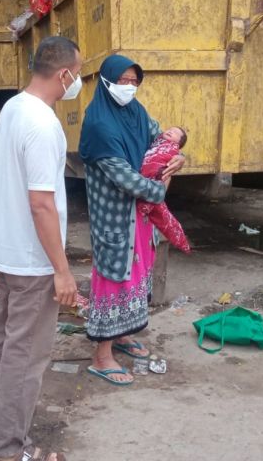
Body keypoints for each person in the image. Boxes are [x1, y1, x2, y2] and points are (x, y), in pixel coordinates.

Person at [0, 35, 82, 461]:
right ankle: (9, 447)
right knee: (26, 354)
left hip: (5, 250)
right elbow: (41, 203)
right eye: (77, 74)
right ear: (63, 74)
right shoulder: (42, 124)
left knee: (4, 341)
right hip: (31, 261)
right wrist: (61, 270)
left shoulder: (13, 108)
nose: (78, 82)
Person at [78, 55, 185, 386]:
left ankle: (123, 336)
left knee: (136, 275)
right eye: (121, 80)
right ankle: (101, 356)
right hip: (114, 219)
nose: (128, 87)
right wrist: (161, 186)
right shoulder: (99, 126)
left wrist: (178, 156)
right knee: (113, 279)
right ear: (107, 80)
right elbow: (127, 181)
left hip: (139, 219)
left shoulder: (136, 114)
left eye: (134, 81)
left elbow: (161, 140)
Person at [137, 127, 191, 254]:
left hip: (150, 185)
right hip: (139, 183)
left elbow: (171, 156)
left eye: (176, 133)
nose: (171, 131)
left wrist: (180, 156)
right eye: (170, 129)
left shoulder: (167, 146)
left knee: (158, 216)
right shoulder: (156, 141)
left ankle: (181, 242)